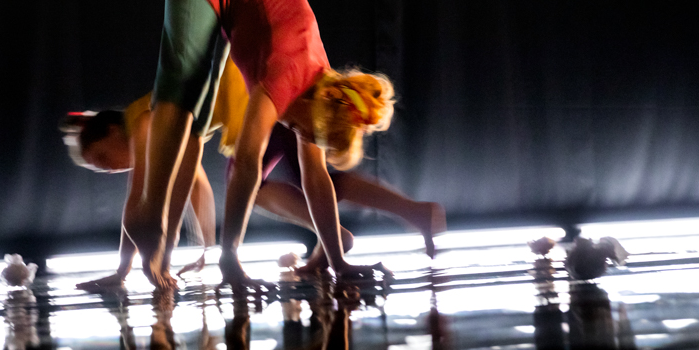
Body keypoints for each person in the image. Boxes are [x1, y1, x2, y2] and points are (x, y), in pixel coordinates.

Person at [118, 0, 415, 289]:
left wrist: (338, 261)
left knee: (203, 116)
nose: (295, 133)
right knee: (187, 79)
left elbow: (316, 178)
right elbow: (246, 164)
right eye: (302, 129)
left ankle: (162, 235)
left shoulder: (320, 86)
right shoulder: (287, 74)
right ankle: (154, 218)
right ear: (315, 108)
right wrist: (230, 258)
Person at [62, 59, 446, 290]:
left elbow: (141, 201)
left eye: (101, 158)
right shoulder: (163, 128)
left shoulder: (142, 123)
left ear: (114, 131)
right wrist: (205, 250)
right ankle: (351, 233)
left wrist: (127, 267)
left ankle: (357, 231)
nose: (106, 168)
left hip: (259, 101)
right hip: (264, 93)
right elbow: (195, 186)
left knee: (277, 183)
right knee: (309, 179)